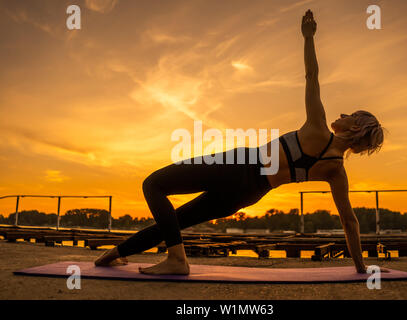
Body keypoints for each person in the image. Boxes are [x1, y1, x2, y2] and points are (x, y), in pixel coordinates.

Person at [95, 10, 387, 275]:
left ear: (356, 127)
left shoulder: (318, 129)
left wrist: (308, 37)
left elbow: (312, 76)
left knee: (153, 184)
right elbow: (350, 222)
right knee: (177, 220)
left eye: (351, 115)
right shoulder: (336, 172)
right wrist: (362, 268)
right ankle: (118, 253)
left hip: (239, 165)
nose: (344, 113)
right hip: (249, 194)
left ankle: (176, 260)